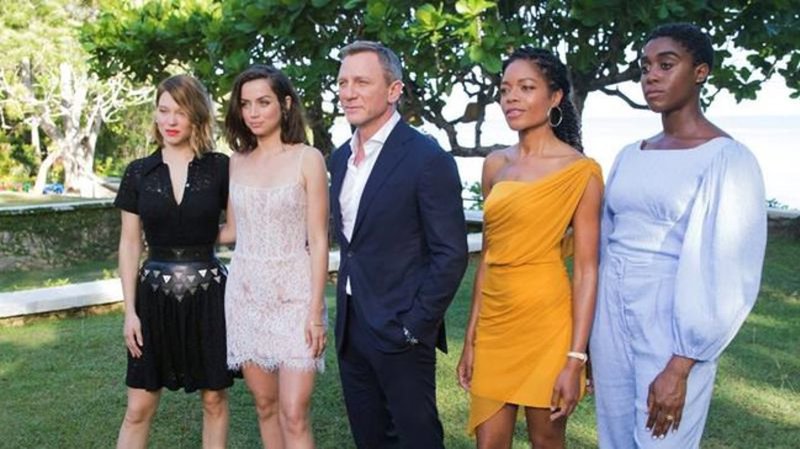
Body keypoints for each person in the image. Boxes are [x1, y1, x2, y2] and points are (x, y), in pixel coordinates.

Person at [590, 23, 767, 448]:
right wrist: (592, 340)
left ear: (700, 72)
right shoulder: (630, 155)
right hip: (610, 318)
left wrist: (682, 363)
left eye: (666, 65)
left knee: (662, 441)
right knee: (615, 440)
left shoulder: (727, 158)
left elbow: (729, 270)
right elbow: (604, 245)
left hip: (671, 320)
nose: (651, 76)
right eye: (645, 67)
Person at [456, 48, 602, 448]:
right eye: (505, 90)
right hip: (495, 323)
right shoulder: (495, 165)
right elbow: (487, 257)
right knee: (489, 443)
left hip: (548, 324)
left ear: (555, 97)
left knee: (547, 440)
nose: (511, 98)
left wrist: (576, 358)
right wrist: (471, 338)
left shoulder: (581, 172)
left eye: (525, 88)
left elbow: (587, 270)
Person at [329, 40, 469, 449]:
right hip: (351, 325)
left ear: (394, 90)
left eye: (361, 82)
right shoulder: (339, 159)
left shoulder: (427, 158)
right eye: (343, 83)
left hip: (401, 328)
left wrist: (415, 326)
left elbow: (450, 253)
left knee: (417, 438)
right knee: (369, 438)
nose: (348, 92)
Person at [114, 74, 232, 449]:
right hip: (152, 297)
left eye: (180, 112)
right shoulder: (138, 172)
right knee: (138, 406)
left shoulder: (220, 167)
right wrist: (130, 312)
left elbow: (235, 228)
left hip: (209, 296)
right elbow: (130, 243)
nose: (171, 120)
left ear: (197, 115)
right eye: (164, 110)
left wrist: (195, 238)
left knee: (214, 399)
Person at [218, 64, 328, 449]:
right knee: (265, 405)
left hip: (296, 297)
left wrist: (315, 312)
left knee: (293, 411)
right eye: (245, 104)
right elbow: (231, 231)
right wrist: (174, 232)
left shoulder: (308, 159)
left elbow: (318, 239)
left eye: (263, 102)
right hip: (246, 296)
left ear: (285, 104)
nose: (253, 112)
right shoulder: (235, 161)